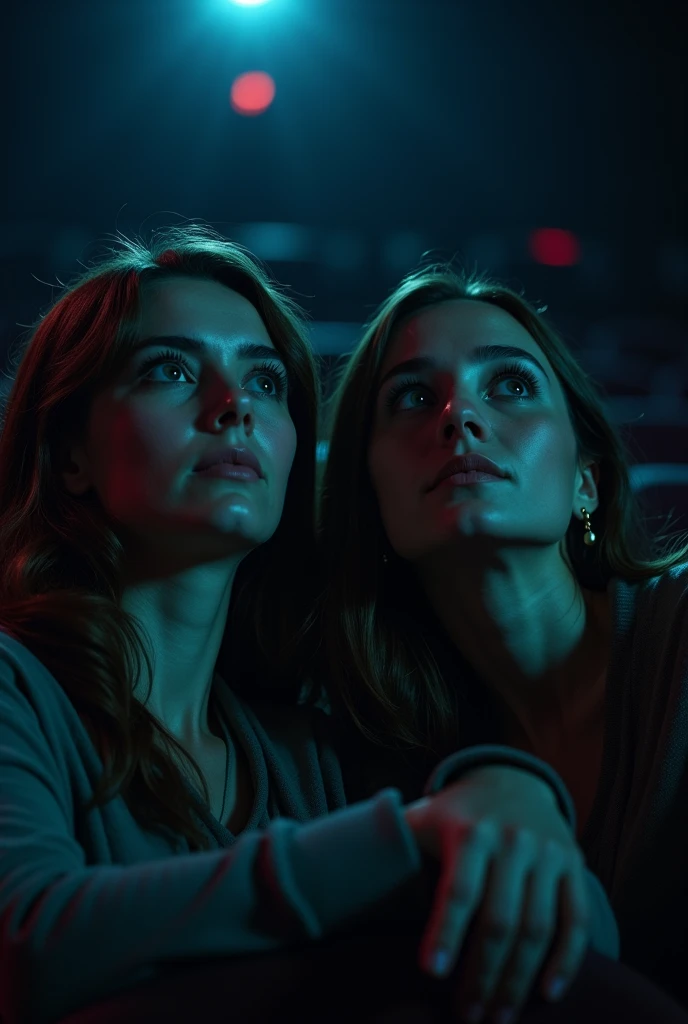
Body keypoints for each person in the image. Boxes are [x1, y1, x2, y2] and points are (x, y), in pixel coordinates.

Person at [0, 226, 632, 1024]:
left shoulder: (315, 757)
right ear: (68, 458)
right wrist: (405, 843)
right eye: (170, 370)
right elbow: (27, 948)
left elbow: (581, 948)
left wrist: (510, 789)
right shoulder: (17, 691)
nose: (234, 406)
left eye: (266, 382)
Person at [318, 262, 688, 1018]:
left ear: (587, 481)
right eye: (414, 398)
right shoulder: (373, 764)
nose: (459, 416)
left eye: (512, 385)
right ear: (371, 495)